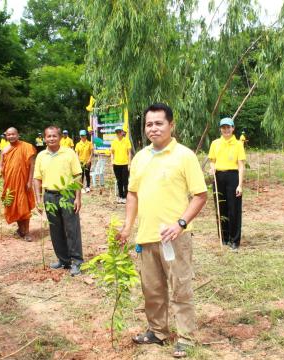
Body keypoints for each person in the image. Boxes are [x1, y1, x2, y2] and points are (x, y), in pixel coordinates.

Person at [118, 103, 207, 358]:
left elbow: (200, 196)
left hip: (175, 237)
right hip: (146, 236)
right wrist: (127, 227)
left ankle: (186, 337)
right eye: (149, 124)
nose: (153, 128)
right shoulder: (140, 158)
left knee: (180, 287)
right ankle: (157, 332)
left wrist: (180, 224)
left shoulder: (184, 155)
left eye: (159, 123)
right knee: (152, 288)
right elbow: (132, 194)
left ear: (171, 125)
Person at [34, 126, 83, 276]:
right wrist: (38, 198)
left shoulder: (69, 153)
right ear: (44, 138)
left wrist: (78, 198)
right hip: (49, 196)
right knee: (55, 229)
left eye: (54, 136)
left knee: (71, 228)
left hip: (67, 195)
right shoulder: (41, 155)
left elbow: (77, 176)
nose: (51, 139)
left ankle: (76, 261)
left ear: (60, 137)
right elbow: (37, 178)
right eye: (48, 136)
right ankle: (63, 260)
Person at [208, 118, 246, 250]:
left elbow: (241, 166)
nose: (226, 130)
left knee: (234, 209)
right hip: (218, 177)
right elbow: (212, 160)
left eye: (228, 127)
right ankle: (223, 238)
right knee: (221, 208)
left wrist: (240, 185)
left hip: (233, 177)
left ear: (233, 128)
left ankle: (234, 240)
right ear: (220, 129)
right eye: (223, 127)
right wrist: (212, 167)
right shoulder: (215, 143)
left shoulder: (238, 144)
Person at [0, 127, 36, 241]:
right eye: (8, 135)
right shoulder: (4, 150)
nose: (11, 136)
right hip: (10, 183)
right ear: (6, 136)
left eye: (13, 134)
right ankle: (21, 230)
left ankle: (27, 232)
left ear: (18, 135)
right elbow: (1, 166)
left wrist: (30, 181)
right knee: (14, 207)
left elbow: (32, 166)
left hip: (23, 182)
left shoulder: (27, 147)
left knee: (23, 206)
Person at [111, 126, 132, 203]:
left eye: (119, 131)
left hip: (125, 164)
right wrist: (112, 161)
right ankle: (120, 196)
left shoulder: (126, 141)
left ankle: (126, 197)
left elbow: (129, 153)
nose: (118, 133)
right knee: (119, 181)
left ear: (122, 132)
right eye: (116, 132)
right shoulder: (114, 142)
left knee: (125, 181)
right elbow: (112, 153)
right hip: (116, 164)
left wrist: (129, 163)